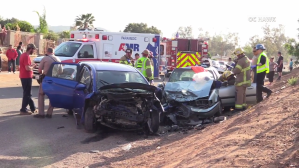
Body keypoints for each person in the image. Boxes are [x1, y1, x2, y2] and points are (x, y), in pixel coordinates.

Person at [34, 48, 62, 118]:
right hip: (55, 80)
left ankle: (41, 113)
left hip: (46, 79)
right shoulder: (58, 59)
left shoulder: (45, 58)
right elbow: (61, 71)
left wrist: (43, 72)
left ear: (47, 52)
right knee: (52, 96)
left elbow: (40, 70)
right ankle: (49, 113)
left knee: (41, 94)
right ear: (53, 52)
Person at [19, 43, 37, 115]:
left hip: (23, 76)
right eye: (33, 50)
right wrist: (33, 67)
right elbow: (27, 68)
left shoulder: (23, 55)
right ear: (31, 49)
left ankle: (33, 108)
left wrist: (31, 65)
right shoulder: (26, 56)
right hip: (26, 76)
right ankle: (23, 109)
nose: (34, 51)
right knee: (27, 94)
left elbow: (26, 66)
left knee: (27, 93)